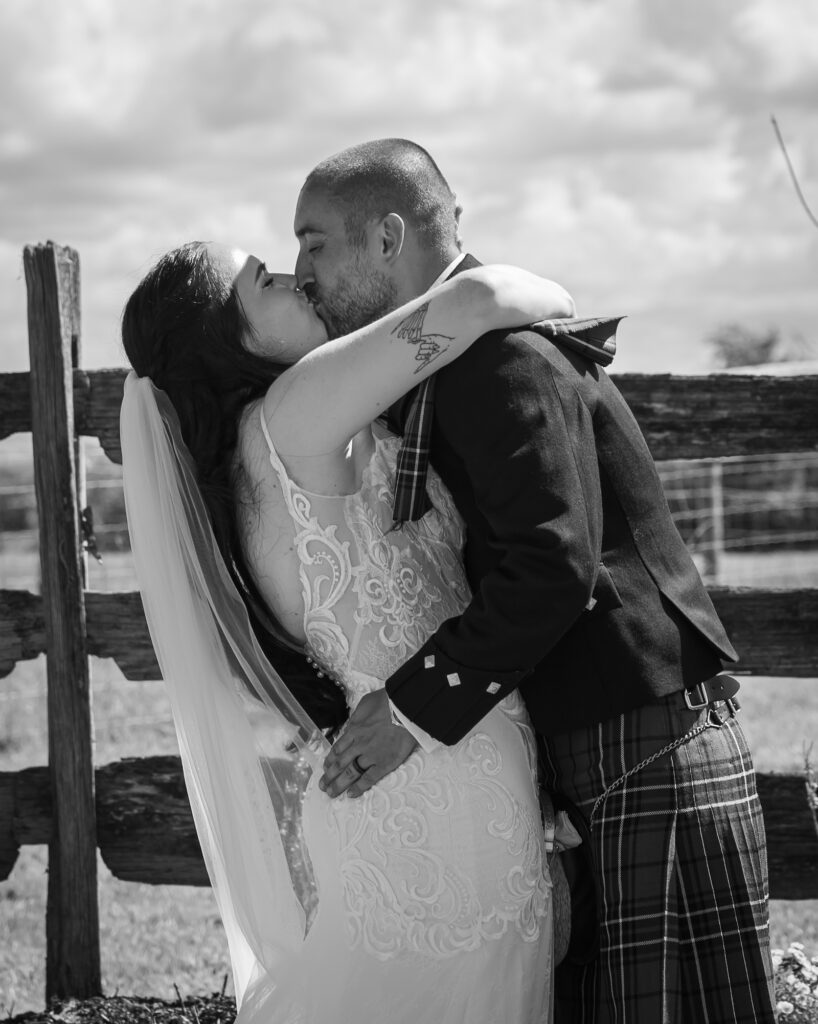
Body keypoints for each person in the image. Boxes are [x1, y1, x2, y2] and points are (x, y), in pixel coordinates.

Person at [297, 139, 777, 1024]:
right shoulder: (459, 354)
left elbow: (553, 566)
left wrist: (410, 712)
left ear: (388, 237)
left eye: (314, 244)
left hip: (647, 742)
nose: (301, 273)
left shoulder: (499, 359)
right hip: (617, 737)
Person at [120, 240, 585, 1023]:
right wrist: (561, 301)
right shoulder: (292, 414)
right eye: (262, 281)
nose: (296, 277)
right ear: (224, 337)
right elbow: (477, 300)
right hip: (431, 797)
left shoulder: (278, 443)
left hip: (436, 782)